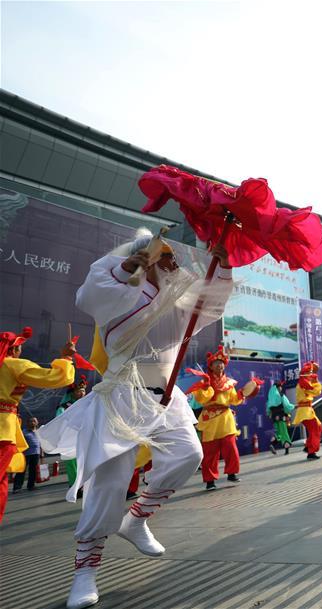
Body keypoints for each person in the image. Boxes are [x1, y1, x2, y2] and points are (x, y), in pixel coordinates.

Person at [38, 229, 233, 609]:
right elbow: (88, 294)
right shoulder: (120, 291)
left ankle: (137, 518)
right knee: (109, 483)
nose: (172, 262)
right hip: (121, 394)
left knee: (188, 455)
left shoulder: (179, 297)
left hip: (165, 396)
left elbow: (211, 307)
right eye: (164, 256)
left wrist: (222, 265)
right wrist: (131, 262)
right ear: (147, 259)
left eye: (172, 257)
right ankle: (84, 572)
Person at [0, 326, 75, 522]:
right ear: (14, 350)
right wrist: (66, 358)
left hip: (6, 430)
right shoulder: (12, 365)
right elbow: (55, 378)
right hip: (3, 432)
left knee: (2, 483)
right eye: (19, 348)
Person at [190, 346, 259, 490]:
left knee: (231, 447)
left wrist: (244, 392)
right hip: (209, 419)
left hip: (226, 418)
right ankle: (210, 481)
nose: (220, 365)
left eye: (221, 363)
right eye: (216, 363)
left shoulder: (229, 382)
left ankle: (232, 473)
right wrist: (206, 387)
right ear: (211, 366)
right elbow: (202, 400)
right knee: (210, 451)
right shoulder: (204, 382)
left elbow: (234, 399)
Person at [57, 375, 89, 489]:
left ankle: (85, 484)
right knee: (71, 462)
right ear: (72, 392)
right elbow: (60, 422)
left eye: (84, 390)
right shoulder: (64, 407)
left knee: (84, 461)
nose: (82, 393)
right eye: (79, 390)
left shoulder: (88, 405)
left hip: (85, 437)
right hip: (69, 439)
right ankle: (75, 485)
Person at [293, 362, 322, 459]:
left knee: (316, 427)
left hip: (306, 411)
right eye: (310, 373)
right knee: (316, 428)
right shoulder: (304, 384)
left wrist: (313, 381)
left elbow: (315, 391)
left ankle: (308, 447)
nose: (311, 374)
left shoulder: (303, 383)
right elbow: (317, 391)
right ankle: (311, 451)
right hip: (305, 411)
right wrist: (316, 381)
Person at [12, 417, 42, 493]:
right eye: (31, 421)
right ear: (27, 423)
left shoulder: (38, 432)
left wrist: (42, 453)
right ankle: (17, 488)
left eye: (34, 421)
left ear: (37, 422)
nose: (32, 423)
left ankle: (31, 486)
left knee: (33, 470)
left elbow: (40, 443)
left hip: (36, 453)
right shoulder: (23, 432)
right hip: (25, 454)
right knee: (21, 471)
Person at [266, 380, 294, 455]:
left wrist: (269, 414)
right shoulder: (281, 395)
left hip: (275, 417)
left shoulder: (270, 398)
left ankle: (272, 444)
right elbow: (287, 406)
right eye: (280, 386)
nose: (281, 388)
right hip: (281, 416)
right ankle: (286, 450)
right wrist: (294, 406)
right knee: (284, 432)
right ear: (278, 387)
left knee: (278, 432)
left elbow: (268, 409)